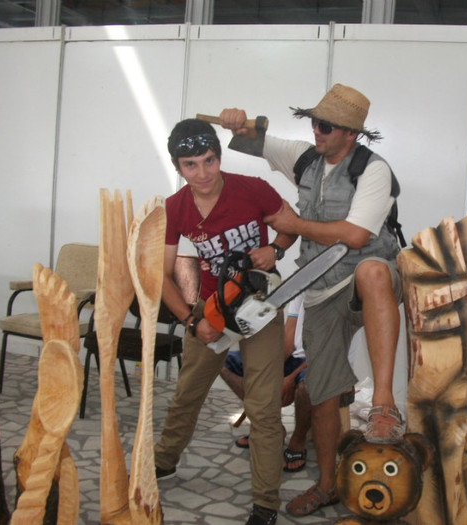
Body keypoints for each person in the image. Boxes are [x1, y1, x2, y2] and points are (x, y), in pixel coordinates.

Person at [218, 83, 404, 517]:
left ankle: (384, 403)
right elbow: (255, 140)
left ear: (351, 134)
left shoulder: (374, 170)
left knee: (372, 269)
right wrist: (236, 122)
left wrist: (293, 224)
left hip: (367, 281)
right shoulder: (305, 157)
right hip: (321, 287)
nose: (316, 131)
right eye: (315, 122)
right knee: (321, 392)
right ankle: (327, 486)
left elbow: (355, 235)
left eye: (326, 126)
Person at [153, 118, 296, 525]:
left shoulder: (252, 189)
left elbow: (290, 225)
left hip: (260, 306)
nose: (202, 173)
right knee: (187, 394)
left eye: (209, 161)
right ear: (178, 167)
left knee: (263, 408)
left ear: (219, 156)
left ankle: (265, 503)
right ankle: (163, 461)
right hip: (212, 309)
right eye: (190, 165)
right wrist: (190, 321)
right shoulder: (175, 207)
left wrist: (276, 250)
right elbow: (161, 275)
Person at [220, 295, 311, 472]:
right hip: (295, 358)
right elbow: (288, 339)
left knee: (307, 386)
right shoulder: (302, 289)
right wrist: (272, 371)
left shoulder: (340, 290)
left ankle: (298, 441)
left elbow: (328, 353)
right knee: (224, 362)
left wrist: (289, 378)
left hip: (321, 362)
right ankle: (269, 426)